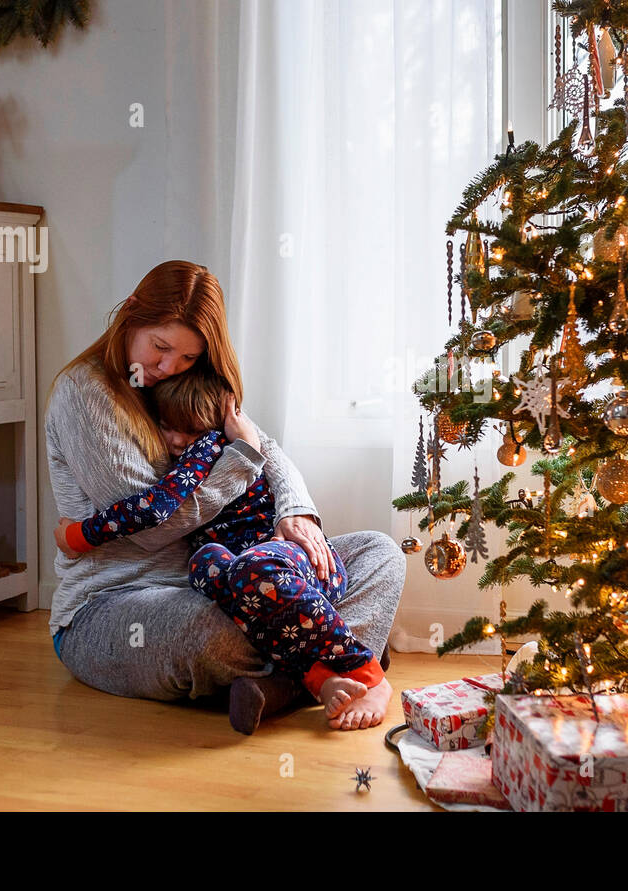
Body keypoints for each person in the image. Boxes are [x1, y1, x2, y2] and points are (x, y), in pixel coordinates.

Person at [46, 260, 402, 732]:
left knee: (381, 554)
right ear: (131, 312)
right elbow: (152, 529)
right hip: (118, 602)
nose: (168, 367)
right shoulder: (87, 394)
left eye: (188, 357)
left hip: (227, 578)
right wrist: (239, 462)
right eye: (161, 346)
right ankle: (339, 657)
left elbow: (262, 445)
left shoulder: (181, 383)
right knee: (218, 633)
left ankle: (287, 681)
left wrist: (298, 513)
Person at [53, 372, 384, 720]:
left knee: (284, 563)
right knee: (204, 563)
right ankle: (316, 673)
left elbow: (154, 509)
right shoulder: (190, 437)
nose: (178, 440)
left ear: (220, 423)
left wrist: (78, 535)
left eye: (190, 431)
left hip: (286, 566)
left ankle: (365, 673)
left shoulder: (209, 446)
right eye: (167, 426)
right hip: (249, 583)